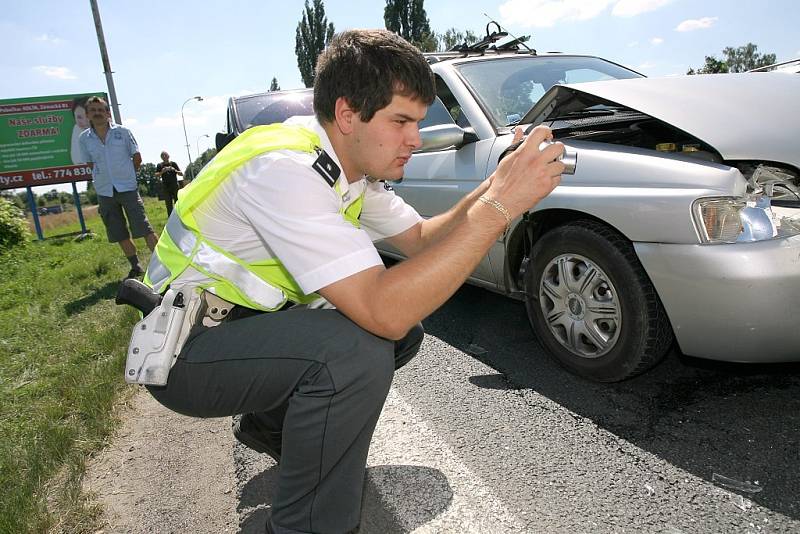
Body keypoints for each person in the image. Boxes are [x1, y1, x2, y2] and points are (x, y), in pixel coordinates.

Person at [141, 29, 564, 534]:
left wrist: (497, 184)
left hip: (240, 330)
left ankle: (272, 426)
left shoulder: (348, 168)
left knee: (399, 333)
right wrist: (502, 208)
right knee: (354, 350)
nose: (415, 138)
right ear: (348, 114)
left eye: (418, 122)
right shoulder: (287, 170)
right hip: (186, 355)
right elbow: (382, 308)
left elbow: (424, 241)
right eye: (401, 121)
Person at [79, 96, 158, 279]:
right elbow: (91, 164)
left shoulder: (122, 132)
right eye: (93, 111)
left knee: (144, 227)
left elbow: (136, 157)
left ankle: (161, 262)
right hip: (105, 191)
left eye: (101, 110)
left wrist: (128, 175)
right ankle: (136, 266)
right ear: (88, 115)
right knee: (118, 231)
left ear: (108, 113)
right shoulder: (85, 139)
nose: (97, 113)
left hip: (127, 188)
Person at [154, 151, 183, 215]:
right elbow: (156, 175)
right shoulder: (160, 165)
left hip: (174, 186)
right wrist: (162, 172)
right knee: (168, 205)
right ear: (161, 158)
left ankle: (179, 217)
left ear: (168, 156)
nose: (164, 157)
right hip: (166, 187)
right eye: (162, 156)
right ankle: (171, 220)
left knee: (177, 203)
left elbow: (181, 174)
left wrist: (174, 170)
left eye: (165, 155)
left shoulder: (173, 164)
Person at [70, 96, 90, 164]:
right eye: (79, 117)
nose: (84, 121)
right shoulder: (77, 129)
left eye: (87, 116)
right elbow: (77, 160)